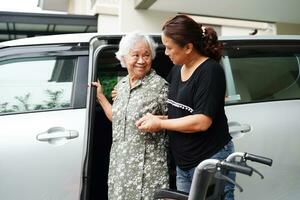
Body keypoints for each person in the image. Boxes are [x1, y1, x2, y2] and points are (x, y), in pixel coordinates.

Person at [136, 15, 235, 200]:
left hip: (210, 160)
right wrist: (157, 119)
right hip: (185, 165)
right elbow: (181, 113)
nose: (166, 53)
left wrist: (160, 124)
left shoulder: (210, 71)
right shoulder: (177, 69)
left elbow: (201, 121)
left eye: (169, 47)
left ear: (188, 47)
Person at [92, 31, 169, 200]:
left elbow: (178, 121)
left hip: (147, 172)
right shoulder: (121, 86)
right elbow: (118, 119)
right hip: (120, 167)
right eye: (135, 55)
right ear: (124, 58)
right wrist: (100, 96)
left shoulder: (160, 87)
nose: (142, 61)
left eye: (146, 55)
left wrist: (160, 121)